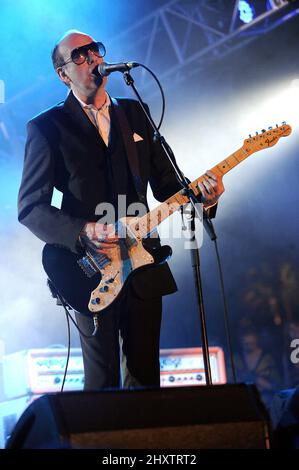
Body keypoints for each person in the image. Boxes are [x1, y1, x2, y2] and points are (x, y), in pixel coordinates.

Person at [18, 30, 225, 390]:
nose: (92, 58)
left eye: (94, 50)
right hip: (89, 268)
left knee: (146, 378)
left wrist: (206, 197)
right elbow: (30, 207)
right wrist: (84, 230)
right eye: (79, 56)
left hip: (143, 260)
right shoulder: (47, 127)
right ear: (63, 74)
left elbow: (169, 184)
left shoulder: (134, 113)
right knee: (102, 382)